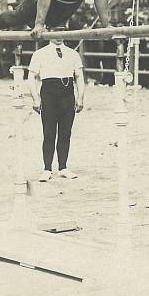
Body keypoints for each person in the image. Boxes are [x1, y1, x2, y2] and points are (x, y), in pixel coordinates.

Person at [27, 27, 86, 181]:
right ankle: (47, 169)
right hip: (49, 94)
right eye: (55, 31)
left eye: (62, 32)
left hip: (68, 95)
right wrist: (35, 98)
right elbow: (31, 77)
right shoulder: (40, 54)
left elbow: (79, 76)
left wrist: (80, 97)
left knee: (66, 133)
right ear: (48, 32)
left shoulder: (73, 54)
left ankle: (63, 167)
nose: (58, 36)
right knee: (49, 133)